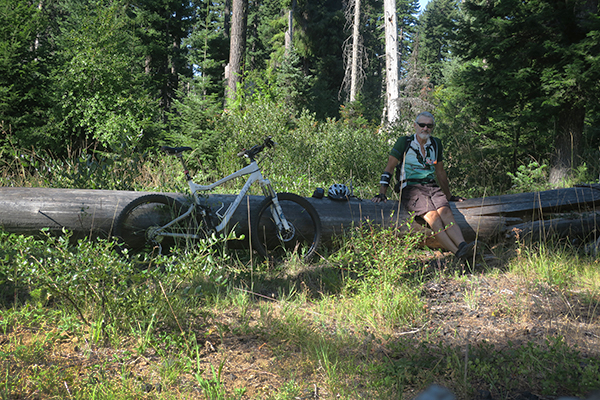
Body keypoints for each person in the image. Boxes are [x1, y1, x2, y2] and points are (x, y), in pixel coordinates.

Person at [372, 112, 475, 261]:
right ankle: (459, 253)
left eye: (429, 125)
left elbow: (440, 172)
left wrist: (449, 196)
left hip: (431, 187)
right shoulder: (404, 142)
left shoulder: (435, 144)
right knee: (433, 217)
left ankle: (463, 246)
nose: (425, 128)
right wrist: (382, 193)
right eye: (422, 125)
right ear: (415, 126)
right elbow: (389, 168)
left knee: (446, 213)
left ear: (432, 127)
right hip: (409, 187)